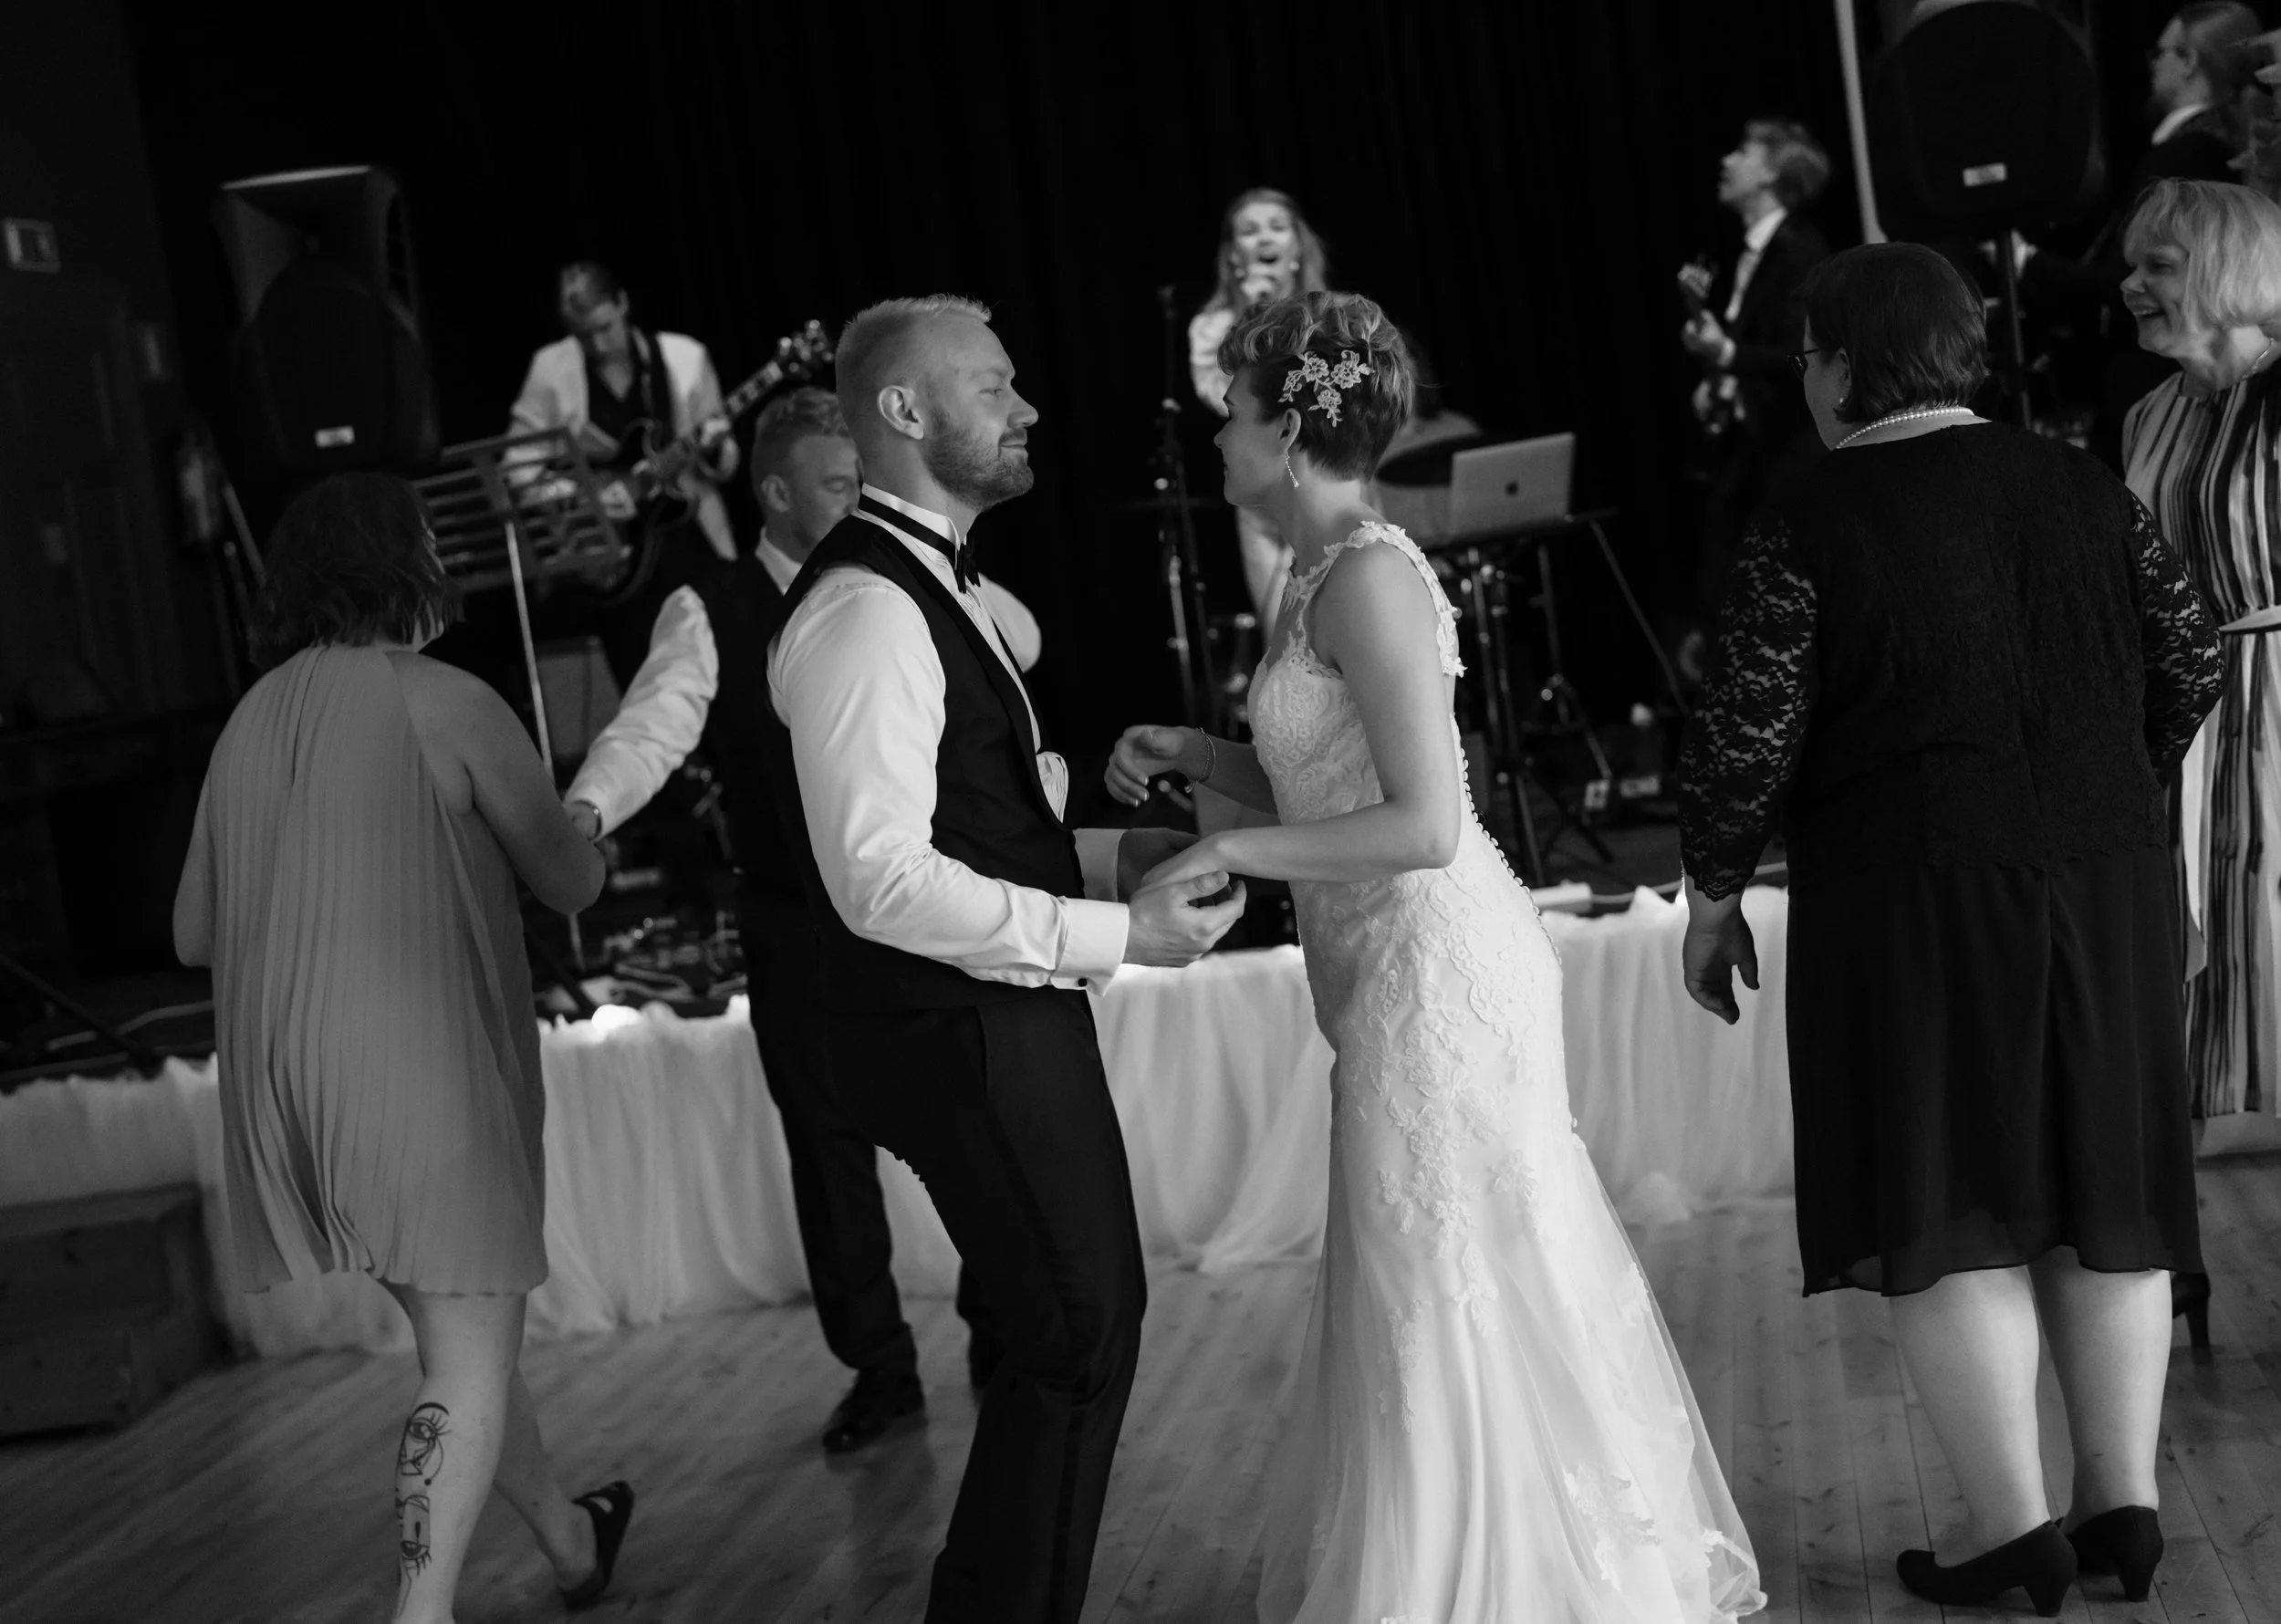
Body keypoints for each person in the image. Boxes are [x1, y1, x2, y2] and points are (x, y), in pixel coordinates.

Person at [1109, 291, 1763, 1624]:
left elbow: (1420, 824)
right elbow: (1319, 780)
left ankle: (1503, 1586)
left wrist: (1228, 849)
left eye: (1231, 413)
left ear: (1290, 434)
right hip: (1380, 967)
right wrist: (1197, 755)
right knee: (1422, 1271)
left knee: (1447, 1269)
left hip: (1440, 972)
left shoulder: (1369, 577)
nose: (1214, 438)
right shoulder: (1312, 576)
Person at [1677, 244, 2223, 1612]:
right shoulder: (2081, 480)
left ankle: (2013, 1531)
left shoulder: (1812, 516)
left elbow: (1745, 736)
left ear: (1846, 366)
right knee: (2102, 1187)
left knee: (1947, 1196)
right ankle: (2123, 1510)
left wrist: (1712, 896)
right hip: (2103, 878)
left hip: (1909, 892)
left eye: (1809, 356)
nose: (1805, 381)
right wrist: (2111, 781)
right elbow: (2192, 658)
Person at [760, 294, 1246, 1624]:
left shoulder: (938, 586)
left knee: (1076, 1330)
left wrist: (1113, 861)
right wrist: (1120, 936)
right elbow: (879, 879)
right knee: (1074, 1331)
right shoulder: (866, 609)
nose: (1027, 408)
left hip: (991, 1007)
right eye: (993, 386)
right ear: (903, 412)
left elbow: (972, 827)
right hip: (950, 1025)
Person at [172, 474, 634, 1621]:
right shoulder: (447, 699)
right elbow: (568, 882)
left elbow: (192, 934)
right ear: (403, 567)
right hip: (416, 1068)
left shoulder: (249, 719)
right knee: (466, 1359)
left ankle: (572, 1544)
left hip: (287, 1083)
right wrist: (585, 829)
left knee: (464, 1333)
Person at [562, 386, 1045, 1451]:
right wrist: (584, 811)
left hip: (920, 912)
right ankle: (878, 1368)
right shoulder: (710, 606)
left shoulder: (902, 574)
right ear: (776, 495)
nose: (859, 500)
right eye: (838, 485)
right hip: (795, 927)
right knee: (827, 1156)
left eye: (864, 481)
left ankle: (1000, 1330)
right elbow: (651, 729)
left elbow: (1024, 640)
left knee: (974, 1123)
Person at [2121, 179, 2281, 1154]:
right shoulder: (2147, 416)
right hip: (2188, 707)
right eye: (2131, 266)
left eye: (2159, 265)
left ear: (2226, 268)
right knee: (2210, 921)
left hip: (2277, 696)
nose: (2130, 285)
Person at [2030, 4, 2262, 469]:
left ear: (2189, 60)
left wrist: (2026, 262)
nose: (2152, 67)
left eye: (2160, 53)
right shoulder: (2212, 149)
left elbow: (2118, 282)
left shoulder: (2186, 158)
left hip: (2164, 384)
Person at [507, 261, 741, 680]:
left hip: (690, 537)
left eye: (605, 328)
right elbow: (517, 469)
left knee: (723, 664)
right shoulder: (550, 369)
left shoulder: (685, 357)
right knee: (641, 675)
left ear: (623, 303)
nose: (598, 346)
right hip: (614, 558)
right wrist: (583, 498)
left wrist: (715, 449)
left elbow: (725, 464)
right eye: (583, 335)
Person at [1677, 119, 1832, 682]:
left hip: (1788, 457)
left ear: (1771, 173)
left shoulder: (1800, 251)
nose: (1727, 161)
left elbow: (1801, 356)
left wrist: (1726, 354)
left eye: (1743, 151)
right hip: (1753, 455)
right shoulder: (1751, 252)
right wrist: (1719, 383)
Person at [1189, 187, 1330, 628]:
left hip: (1330, 476)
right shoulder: (1212, 327)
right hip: (1263, 496)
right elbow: (1224, 399)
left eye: (1277, 227)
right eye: (1249, 231)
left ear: (1297, 245)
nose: (1265, 238)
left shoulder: (1335, 314)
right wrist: (1254, 315)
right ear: (1234, 254)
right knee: (1284, 627)